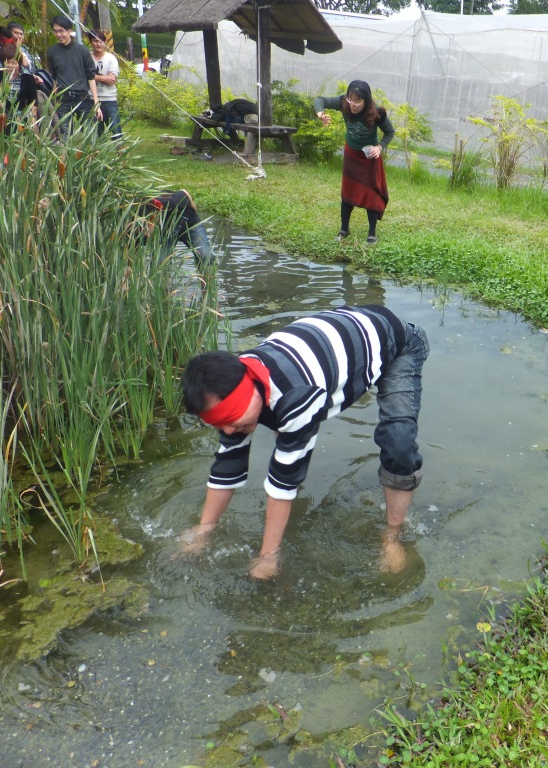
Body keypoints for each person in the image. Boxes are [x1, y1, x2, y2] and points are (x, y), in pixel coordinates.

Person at [177, 305, 428, 579]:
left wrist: (267, 557)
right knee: (283, 434)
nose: (227, 428)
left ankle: (392, 538)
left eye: (232, 416)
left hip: (397, 342)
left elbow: (281, 485)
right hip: (340, 335)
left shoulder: (295, 396)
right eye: (217, 422)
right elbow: (228, 465)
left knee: (398, 441)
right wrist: (202, 532)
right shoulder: (230, 379)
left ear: (250, 386)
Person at [313, 80, 395, 244]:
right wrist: (320, 113)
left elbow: (390, 132)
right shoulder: (344, 102)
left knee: (371, 195)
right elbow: (319, 100)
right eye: (351, 99)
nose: (353, 104)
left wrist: (379, 148)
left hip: (369, 157)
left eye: (358, 101)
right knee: (348, 193)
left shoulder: (377, 112)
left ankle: (372, 233)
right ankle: (344, 229)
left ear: (366, 101)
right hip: (351, 154)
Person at [46, 15, 101, 139]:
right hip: (63, 100)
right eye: (55, 31)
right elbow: (54, 76)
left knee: (90, 135)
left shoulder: (83, 51)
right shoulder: (52, 52)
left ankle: (91, 157)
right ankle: (66, 158)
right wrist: (55, 101)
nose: (58, 34)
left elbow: (91, 76)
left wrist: (96, 103)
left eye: (61, 31)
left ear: (69, 31)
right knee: (65, 136)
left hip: (83, 97)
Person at [141, 189, 215, 266]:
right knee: (161, 265)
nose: (147, 233)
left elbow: (184, 192)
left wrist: (192, 205)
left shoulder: (172, 202)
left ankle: (202, 275)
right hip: (165, 233)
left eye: (148, 227)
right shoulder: (140, 215)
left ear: (154, 217)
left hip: (188, 224)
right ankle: (167, 277)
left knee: (206, 257)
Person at [86, 28, 120, 140]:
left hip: (109, 100)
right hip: (91, 100)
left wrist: (92, 77)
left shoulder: (111, 58)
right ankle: (97, 156)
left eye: (101, 41)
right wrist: (103, 78)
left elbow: (111, 80)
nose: (99, 44)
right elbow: (82, 76)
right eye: (95, 41)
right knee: (95, 134)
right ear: (91, 42)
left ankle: (122, 156)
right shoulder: (87, 57)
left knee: (116, 132)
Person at [0, 43, 37, 131]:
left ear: (19, 63)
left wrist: (33, 121)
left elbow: (33, 102)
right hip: (5, 119)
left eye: (14, 63)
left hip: (23, 118)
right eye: (7, 63)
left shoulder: (28, 77)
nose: (11, 66)